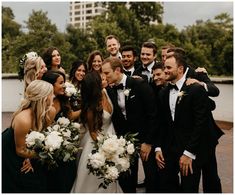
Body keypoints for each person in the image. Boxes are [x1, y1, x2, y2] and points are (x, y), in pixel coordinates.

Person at [155, 50, 219, 193]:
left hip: (191, 149)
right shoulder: (164, 92)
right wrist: (158, 147)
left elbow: (200, 124)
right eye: (164, 67)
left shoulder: (195, 88)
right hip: (170, 149)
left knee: (189, 188)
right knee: (166, 185)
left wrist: (189, 153)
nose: (165, 70)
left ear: (180, 69)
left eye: (168, 68)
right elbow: (162, 123)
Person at [102, 58, 158, 192]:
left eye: (107, 73)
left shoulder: (139, 84)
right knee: (126, 178)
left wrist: (148, 142)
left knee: (151, 176)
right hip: (124, 141)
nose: (104, 76)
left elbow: (153, 114)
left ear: (117, 70)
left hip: (145, 139)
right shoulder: (109, 90)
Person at [71, 71, 123, 193]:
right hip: (97, 144)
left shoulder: (105, 92)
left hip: (112, 137)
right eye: (101, 79)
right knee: (94, 178)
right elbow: (93, 132)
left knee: (110, 175)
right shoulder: (91, 107)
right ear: (95, 84)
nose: (104, 79)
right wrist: (105, 150)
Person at [2, 80, 56, 193]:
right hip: (11, 150)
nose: (54, 96)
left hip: (29, 148)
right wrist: (45, 154)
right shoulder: (23, 119)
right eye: (51, 94)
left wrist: (31, 156)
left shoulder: (50, 111)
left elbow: (44, 134)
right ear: (44, 98)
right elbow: (20, 150)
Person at [42, 70, 79, 192]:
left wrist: (87, 108)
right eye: (61, 83)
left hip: (64, 148)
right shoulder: (43, 104)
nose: (64, 85)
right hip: (50, 150)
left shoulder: (63, 99)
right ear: (50, 85)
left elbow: (71, 116)